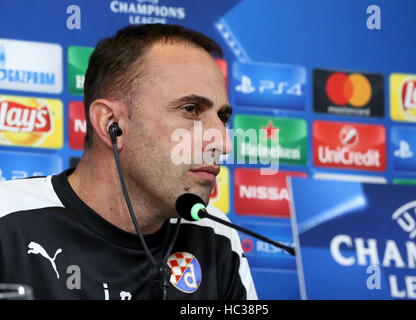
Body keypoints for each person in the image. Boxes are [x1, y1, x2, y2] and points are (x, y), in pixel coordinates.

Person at [0, 24, 257, 300]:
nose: (224, 143)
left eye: (223, 118)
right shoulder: (7, 220)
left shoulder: (215, 235)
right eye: (191, 110)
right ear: (112, 124)